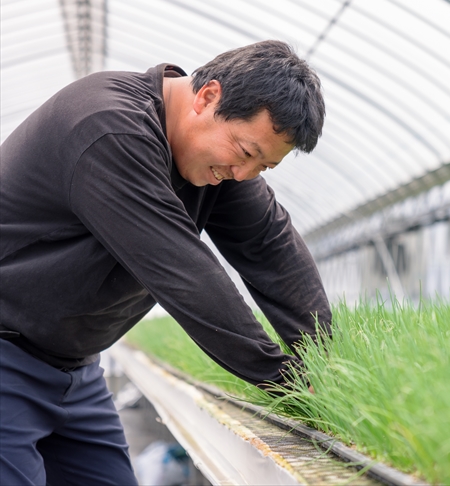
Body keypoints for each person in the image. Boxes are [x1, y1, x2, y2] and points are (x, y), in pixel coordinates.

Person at [0, 40, 331, 484]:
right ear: (208, 96)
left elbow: (271, 247)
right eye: (247, 153)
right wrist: (283, 379)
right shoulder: (108, 128)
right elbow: (182, 271)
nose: (244, 175)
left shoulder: (218, 155)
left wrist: (324, 367)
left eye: (264, 168)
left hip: (75, 368)